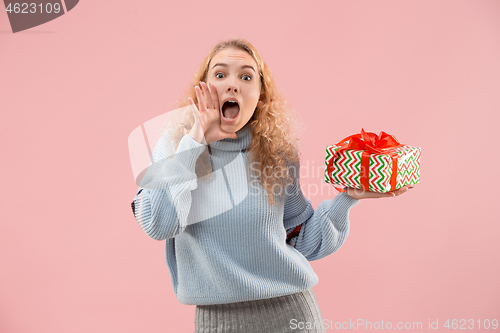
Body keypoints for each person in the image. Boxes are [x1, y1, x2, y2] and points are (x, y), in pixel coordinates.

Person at [131, 37, 414, 333]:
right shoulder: (176, 146)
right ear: (201, 90)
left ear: (261, 96)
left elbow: (299, 238)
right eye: (220, 74)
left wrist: (347, 198)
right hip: (217, 322)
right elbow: (159, 224)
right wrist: (195, 141)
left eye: (246, 76)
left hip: (291, 316)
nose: (232, 84)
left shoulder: (276, 153)